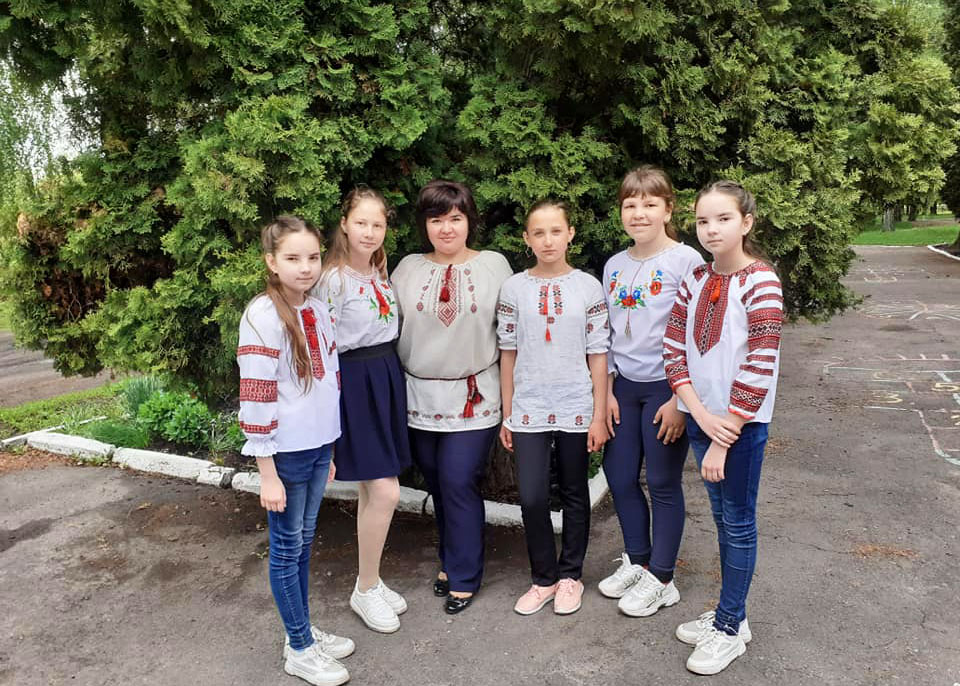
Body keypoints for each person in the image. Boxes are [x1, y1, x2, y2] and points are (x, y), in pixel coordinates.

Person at [664, 180, 783, 675]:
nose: (711, 229)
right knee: (721, 520)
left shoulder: (762, 281)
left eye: (724, 219)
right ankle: (732, 614)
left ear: (747, 222)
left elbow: (760, 362)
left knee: (737, 522)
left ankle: (730, 627)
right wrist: (695, 410)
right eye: (702, 221)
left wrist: (722, 434)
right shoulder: (696, 277)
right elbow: (673, 348)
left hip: (740, 427)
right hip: (701, 417)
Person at [238, 216, 354, 686]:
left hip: (318, 446)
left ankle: (300, 630)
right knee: (287, 548)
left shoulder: (319, 310)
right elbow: (257, 395)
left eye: (312, 257)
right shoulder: (263, 316)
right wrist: (266, 472)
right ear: (271, 261)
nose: (305, 267)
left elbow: (329, 384)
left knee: (305, 542)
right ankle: (300, 649)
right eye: (292, 258)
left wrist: (330, 449)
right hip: (285, 454)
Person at [391, 179, 513, 614]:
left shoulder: (495, 266)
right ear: (424, 224)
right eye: (436, 219)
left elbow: (512, 334)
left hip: (474, 396)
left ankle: (464, 575)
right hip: (418, 397)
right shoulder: (406, 269)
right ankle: (450, 559)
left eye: (455, 218)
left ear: (469, 221)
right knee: (439, 483)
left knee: (459, 480)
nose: (446, 228)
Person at [599, 166, 705, 617]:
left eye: (649, 204)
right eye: (630, 205)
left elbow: (699, 337)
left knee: (661, 482)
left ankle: (663, 578)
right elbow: (605, 335)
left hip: (667, 388)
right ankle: (638, 561)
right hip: (624, 388)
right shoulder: (614, 265)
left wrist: (680, 400)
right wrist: (606, 391)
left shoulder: (687, 261)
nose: (638, 213)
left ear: (668, 209)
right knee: (620, 477)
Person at [496, 200, 610, 616]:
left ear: (570, 234)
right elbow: (507, 352)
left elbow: (598, 353)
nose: (548, 241)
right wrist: (508, 413)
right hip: (529, 406)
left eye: (556, 231)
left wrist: (599, 414)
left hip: (576, 403)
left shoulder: (588, 287)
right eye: (539, 233)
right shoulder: (514, 288)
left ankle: (570, 577)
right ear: (526, 239)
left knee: (575, 492)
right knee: (531, 496)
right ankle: (543, 578)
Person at [313, 188, 411, 634]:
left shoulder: (378, 269)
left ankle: (369, 579)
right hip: (352, 384)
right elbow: (322, 349)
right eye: (361, 223)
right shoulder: (332, 280)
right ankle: (365, 588)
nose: (370, 232)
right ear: (344, 224)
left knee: (373, 491)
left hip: (384, 376)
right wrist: (329, 414)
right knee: (386, 492)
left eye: (378, 224)